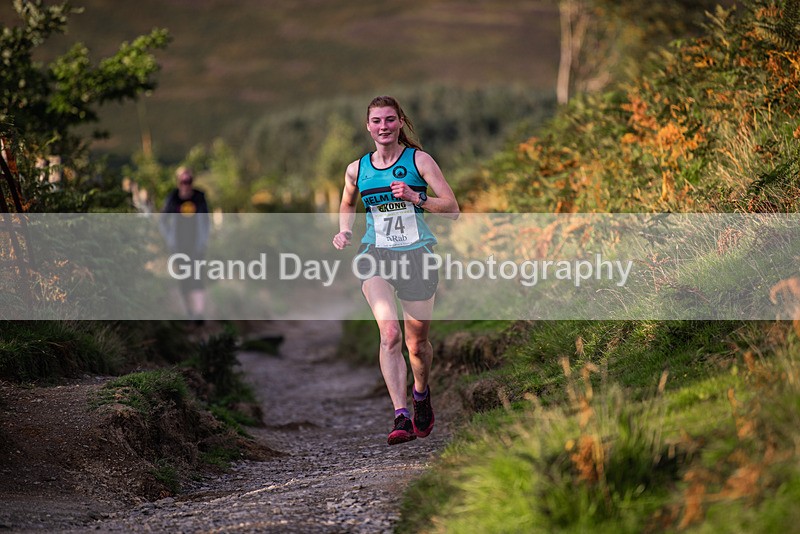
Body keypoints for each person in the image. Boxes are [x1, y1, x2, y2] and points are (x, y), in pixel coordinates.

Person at [332, 96, 460, 445]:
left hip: (417, 255)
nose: (383, 126)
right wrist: (345, 229)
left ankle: (421, 394)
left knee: (416, 346)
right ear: (368, 126)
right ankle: (400, 415)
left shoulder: (419, 161)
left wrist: (416, 198)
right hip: (375, 254)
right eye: (376, 121)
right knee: (389, 334)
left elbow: (452, 209)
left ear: (400, 122)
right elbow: (347, 200)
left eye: (390, 119)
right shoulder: (357, 168)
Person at [159, 166, 210, 325]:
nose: (186, 184)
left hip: (196, 245)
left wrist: (204, 241)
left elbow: (206, 221)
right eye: (183, 181)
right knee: (184, 280)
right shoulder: (173, 198)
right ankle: (189, 312)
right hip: (179, 246)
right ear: (178, 181)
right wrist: (169, 239)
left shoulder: (199, 197)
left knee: (197, 277)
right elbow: (162, 221)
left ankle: (199, 314)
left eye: (189, 181)